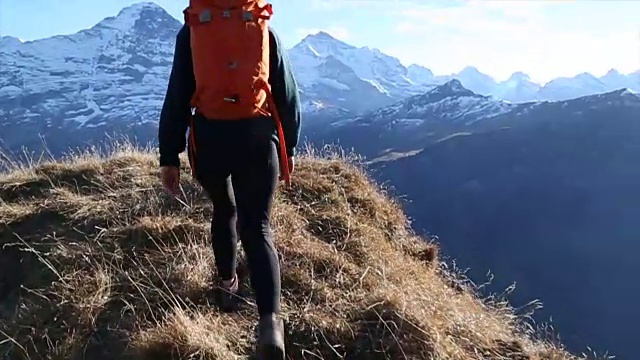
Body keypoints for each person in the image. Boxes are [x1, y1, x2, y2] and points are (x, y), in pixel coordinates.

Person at [157, 3, 301, 359]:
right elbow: (286, 95)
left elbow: (177, 95)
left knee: (224, 209)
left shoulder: (193, 30)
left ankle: (227, 286)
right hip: (257, 136)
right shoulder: (261, 27)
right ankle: (270, 325)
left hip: (210, 139)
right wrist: (289, 148)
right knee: (259, 229)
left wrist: (168, 156)